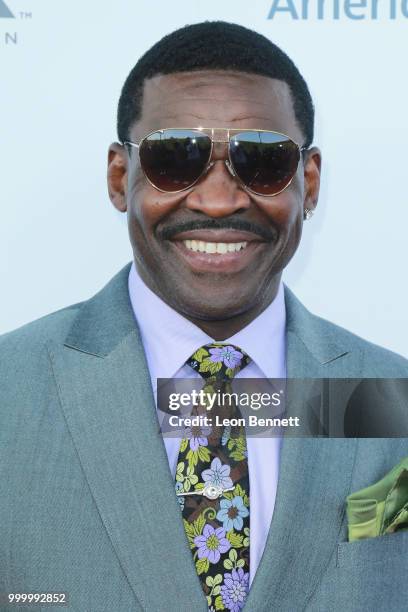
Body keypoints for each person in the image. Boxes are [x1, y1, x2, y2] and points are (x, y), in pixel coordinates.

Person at [1, 21, 407, 612]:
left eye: (262, 162)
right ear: (120, 177)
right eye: (175, 158)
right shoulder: (10, 389)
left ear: (309, 183)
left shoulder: (392, 402)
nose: (218, 201)